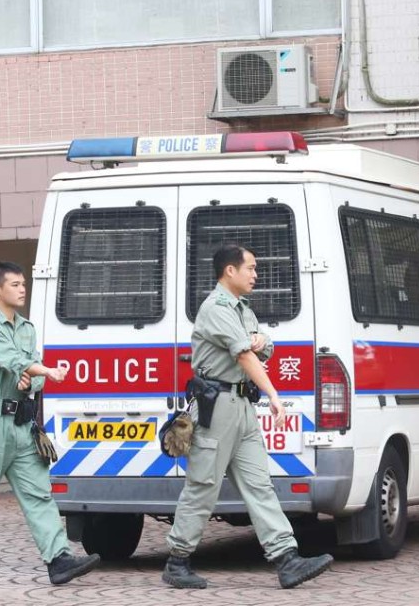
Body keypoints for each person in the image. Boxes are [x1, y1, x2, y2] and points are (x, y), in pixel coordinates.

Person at [161, 245, 333, 590]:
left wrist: (260, 341)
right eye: (251, 268)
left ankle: (287, 559)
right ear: (229, 271)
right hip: (217, 406)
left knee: (259, 485)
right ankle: (177, 561)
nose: (256, 275)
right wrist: (273, 394)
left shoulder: (242, 308)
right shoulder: (216, 308)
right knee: (203, 486)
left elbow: (263, 346)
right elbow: (245, 355)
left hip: (240, 406)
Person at [0, 262, 100, 586]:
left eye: (23, 284)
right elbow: (15, 361)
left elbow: (31, 377)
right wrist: (44, 372)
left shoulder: (27, 328)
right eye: (15, 284)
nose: (22, 288)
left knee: (39, 493)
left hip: (22, 424)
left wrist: (31, 381)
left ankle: (58, 559)